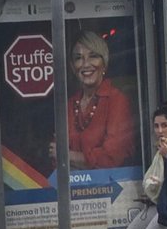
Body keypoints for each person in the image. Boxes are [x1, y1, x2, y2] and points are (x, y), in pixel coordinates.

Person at [51, 31, 135, 170]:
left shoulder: (117, 100)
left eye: (93, 56)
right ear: (72, 66)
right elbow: (55, 158)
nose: (86, 64)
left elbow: (112, 157)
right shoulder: (70, 103)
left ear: (104, 63)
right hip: (73, 187)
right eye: (79, 58)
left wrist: (68, 156)